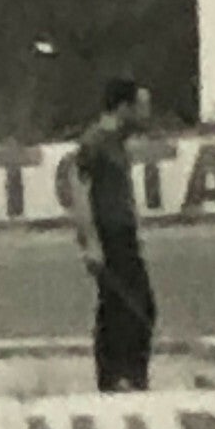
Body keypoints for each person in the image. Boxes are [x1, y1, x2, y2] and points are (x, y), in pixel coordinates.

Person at [70, 78, 156, 392]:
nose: (146, 114)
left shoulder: (116, 142)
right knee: (134, 306)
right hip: (110, 236)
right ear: (124, 107)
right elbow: (79, 189)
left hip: (123, 234)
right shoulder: (97, 141)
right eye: (141, 107)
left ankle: (124, 377)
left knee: (124, 307)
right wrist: (90, 241)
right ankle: (120, 378)